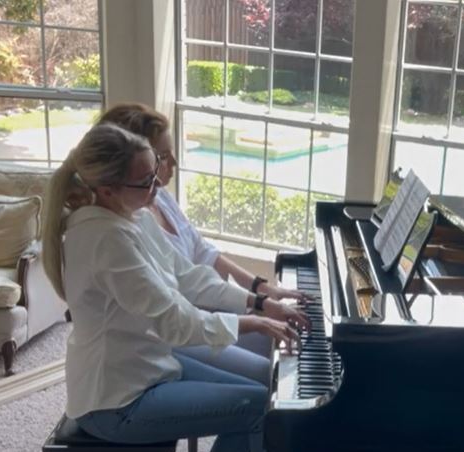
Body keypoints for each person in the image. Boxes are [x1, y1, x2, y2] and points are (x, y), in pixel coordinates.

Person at [41, 123, 329, 452]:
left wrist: (259, 302)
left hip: (149, 366)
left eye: (154, 173)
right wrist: (253, 323)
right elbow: (175, 321)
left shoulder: (133, 215)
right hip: (115, 400)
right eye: (145, 181)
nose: (157, 186)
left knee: (261, 402)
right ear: (106, 189)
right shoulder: (104, 239)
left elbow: (189, 277)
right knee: (258, 408)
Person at [96, 103, 308, 370]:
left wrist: (263, 291)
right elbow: (180, 308)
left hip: (204, 314)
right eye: (163, 156)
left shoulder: (160, 200)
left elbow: (202, 253)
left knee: (278, 345)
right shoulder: (128, 227)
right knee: (268, 369)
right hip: (182, 330)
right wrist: (257, 311)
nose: (174, 163)